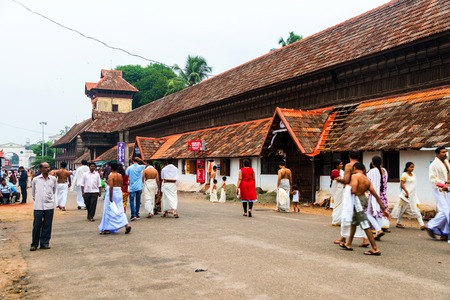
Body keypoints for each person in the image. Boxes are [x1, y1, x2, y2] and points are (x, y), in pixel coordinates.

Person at [340, 162, 390, 256]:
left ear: (355, 168)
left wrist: (347, 186)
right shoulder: (367, 180)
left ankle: (375, 248)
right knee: (354, 222)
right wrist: (384, 209)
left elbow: (354, 190)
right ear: (363, 170)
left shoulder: (355, 176)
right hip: (363, 198)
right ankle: (348, 243)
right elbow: (376, 195)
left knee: (364, 223)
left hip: (357, 199)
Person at [334, 150, 369, 247]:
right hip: (360, 191)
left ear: (349, 156)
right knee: (359, 214)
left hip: (350, 191)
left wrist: (339, 179)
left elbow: (346, 180)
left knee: (346, 213)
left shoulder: (349, 166)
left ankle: (345, 237)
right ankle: (362, 238)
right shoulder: (362, 166)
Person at [98, 162, 131, 235]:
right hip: (119, 191)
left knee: (109, 209)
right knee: (120, 209)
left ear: (111, 168)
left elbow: (111, 187)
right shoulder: (120, 175)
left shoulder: (111, 176)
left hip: (112, 193)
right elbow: (121, 184)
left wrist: (110, 197)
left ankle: (107, 228)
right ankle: (126, 224)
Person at [30, 162, 57, 251]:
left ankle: (44, 243)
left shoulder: (53, 179)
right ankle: (34, 244)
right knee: (37, 225)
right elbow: (33, 193)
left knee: (47, 225)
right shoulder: (36, 180)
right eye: (45, 167)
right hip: (38, 206)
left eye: (48, 167)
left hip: (49, 206)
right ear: (41, 169)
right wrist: (38, 199)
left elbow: (54, 191)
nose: (47, 169)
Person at [391, 162, 426, 230]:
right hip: (405, 195)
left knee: (416, 209)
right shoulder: (404, 175)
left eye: (413, 167)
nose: (412, 168)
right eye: (411, 167)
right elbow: (402, 183)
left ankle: (422, 224)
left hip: (413, 195)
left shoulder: (413, 175)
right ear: (407, 168)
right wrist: (406, 192)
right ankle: (397, 222)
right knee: (400, 209)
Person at [427, 146, 450, 241]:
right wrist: (443, 184)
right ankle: (431, 225)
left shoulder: (447, 162)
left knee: (446, 212)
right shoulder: (433, 165)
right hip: (439, 189)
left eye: (445, 152)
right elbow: (433, 179)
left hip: (447, 189)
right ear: (437, 154)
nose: (445, 154)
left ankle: (444, 232)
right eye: (442, 152)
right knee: (446, 211)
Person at [366, 156, 388, 239]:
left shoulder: (372, 171)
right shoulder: (384, 171)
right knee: (379, 214)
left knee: (368, 213)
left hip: (374, 195)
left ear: (372, 163)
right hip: (383, 195)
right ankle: (379, 231)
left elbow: (367, 182)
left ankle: (378, 230)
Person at [330, 159, 344, 225]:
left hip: (342, 189)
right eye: (340, 164)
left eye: (342, 164)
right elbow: (340, 179)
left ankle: (340, 220)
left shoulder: (342, 172)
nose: (342, 165)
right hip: (337, 190)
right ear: (337, 165)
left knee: (342, 205)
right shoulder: (334, 172)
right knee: (337, 204)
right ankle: (335, 220)